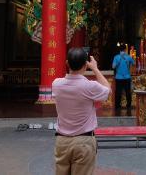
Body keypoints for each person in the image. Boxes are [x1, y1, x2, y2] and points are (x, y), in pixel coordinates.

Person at [52, 47, 110, 175]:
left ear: (67, 63)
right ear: (85, 65)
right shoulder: (90, 86)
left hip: (62, 141)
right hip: (83, 141)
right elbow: (107, 90)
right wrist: (95, 69)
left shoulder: (56, 84)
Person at [112, 44, 135, 111]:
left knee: (118, 92)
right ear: (125, 49)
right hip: (127, 77)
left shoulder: (116, 57)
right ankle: (128, 105)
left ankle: (117, 106)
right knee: (128, 92)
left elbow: (113, 67)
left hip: (118, 77)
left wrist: (119, 61)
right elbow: (134, 64)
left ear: (119, 50)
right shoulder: (128, 57)